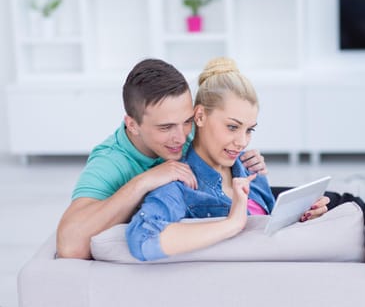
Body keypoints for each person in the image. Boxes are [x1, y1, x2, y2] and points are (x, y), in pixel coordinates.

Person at [56, 59, 268, 259]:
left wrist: (243, 158)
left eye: (187, 121)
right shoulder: (111, 162)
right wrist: (144, 182)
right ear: (132, 125)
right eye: (166, 127)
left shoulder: (188, 131)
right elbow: (69, 245)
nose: (182, 137)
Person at [126, 57, 330, 261]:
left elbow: (268, 230)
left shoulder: (250, 167)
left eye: (249, 130)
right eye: (232, 127)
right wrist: (232, 223)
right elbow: (143, 238)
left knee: (341, 201)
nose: (242, 142)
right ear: (200, 116)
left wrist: (301, 218)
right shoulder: (181, 185)